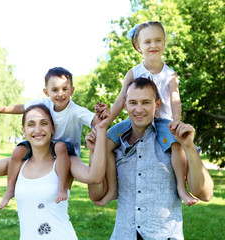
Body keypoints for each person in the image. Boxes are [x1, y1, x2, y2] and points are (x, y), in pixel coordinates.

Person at [88, 78, 214, 239]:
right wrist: (93, 152)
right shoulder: (115, 145)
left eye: (146, 102)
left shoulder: (173, 140)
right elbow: (96, 195)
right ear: (125, 105)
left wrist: (189, 146)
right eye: (133, 103)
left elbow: (206, 193)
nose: (139, 109)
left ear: (157, 105)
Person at [0, 104, 108, 240]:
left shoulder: (64, 161)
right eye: (31, 124)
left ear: (53, 129)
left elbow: (94, 177)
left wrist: (96, 143)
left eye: (44, 123)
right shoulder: (18, 163)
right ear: (24, 130)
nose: (37, 129)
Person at [99, 21, 197, 206]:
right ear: (138, 46)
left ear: (164, 43)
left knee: (175, 145)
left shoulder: (169, 74)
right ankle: (112, 189)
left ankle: (181, 189)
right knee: (106, 143)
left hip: (162, 121)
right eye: (148, 42)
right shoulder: (134, 72)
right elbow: (121, 100)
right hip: (135, 119)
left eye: (158, 40)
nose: (153, 45)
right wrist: (105, 123)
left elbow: (175, 99)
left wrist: (176, 120)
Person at [0, 67, 105, 210]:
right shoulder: (45, 103)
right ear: (46, 92)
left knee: (60, 147)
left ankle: (62, 188)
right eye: (55, 90)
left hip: (66, 148)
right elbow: (21, 108)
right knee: (17, 151)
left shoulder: (76, 111)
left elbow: (95, 120)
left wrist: (100, 114)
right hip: (46, 144)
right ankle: (9, 190)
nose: (60, 94)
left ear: (72, 90)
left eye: (65, 89)